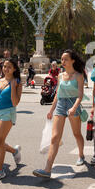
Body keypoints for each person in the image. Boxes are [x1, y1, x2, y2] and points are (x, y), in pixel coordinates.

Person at [33, 50, 87, 178]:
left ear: (72, 60)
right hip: (61, 105)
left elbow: (80, 95)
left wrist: (74, 107)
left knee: (76, 133)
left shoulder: (79, 75)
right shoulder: (60, 75)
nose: (62, 62)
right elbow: (57, 94)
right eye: (61, 59)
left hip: (73, 105)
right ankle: (47, 169)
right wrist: (51, 110)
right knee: (55, 137)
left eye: (65, 59)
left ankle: (81, 155)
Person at [0, 59, 23, 184]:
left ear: (14, 69)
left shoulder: (17, 82)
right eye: (4, 66)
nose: (6, 69)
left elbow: (15, 102)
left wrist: (13, 87)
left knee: (0, 140)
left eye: (9, 67)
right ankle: (14, 151)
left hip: (8, 112)